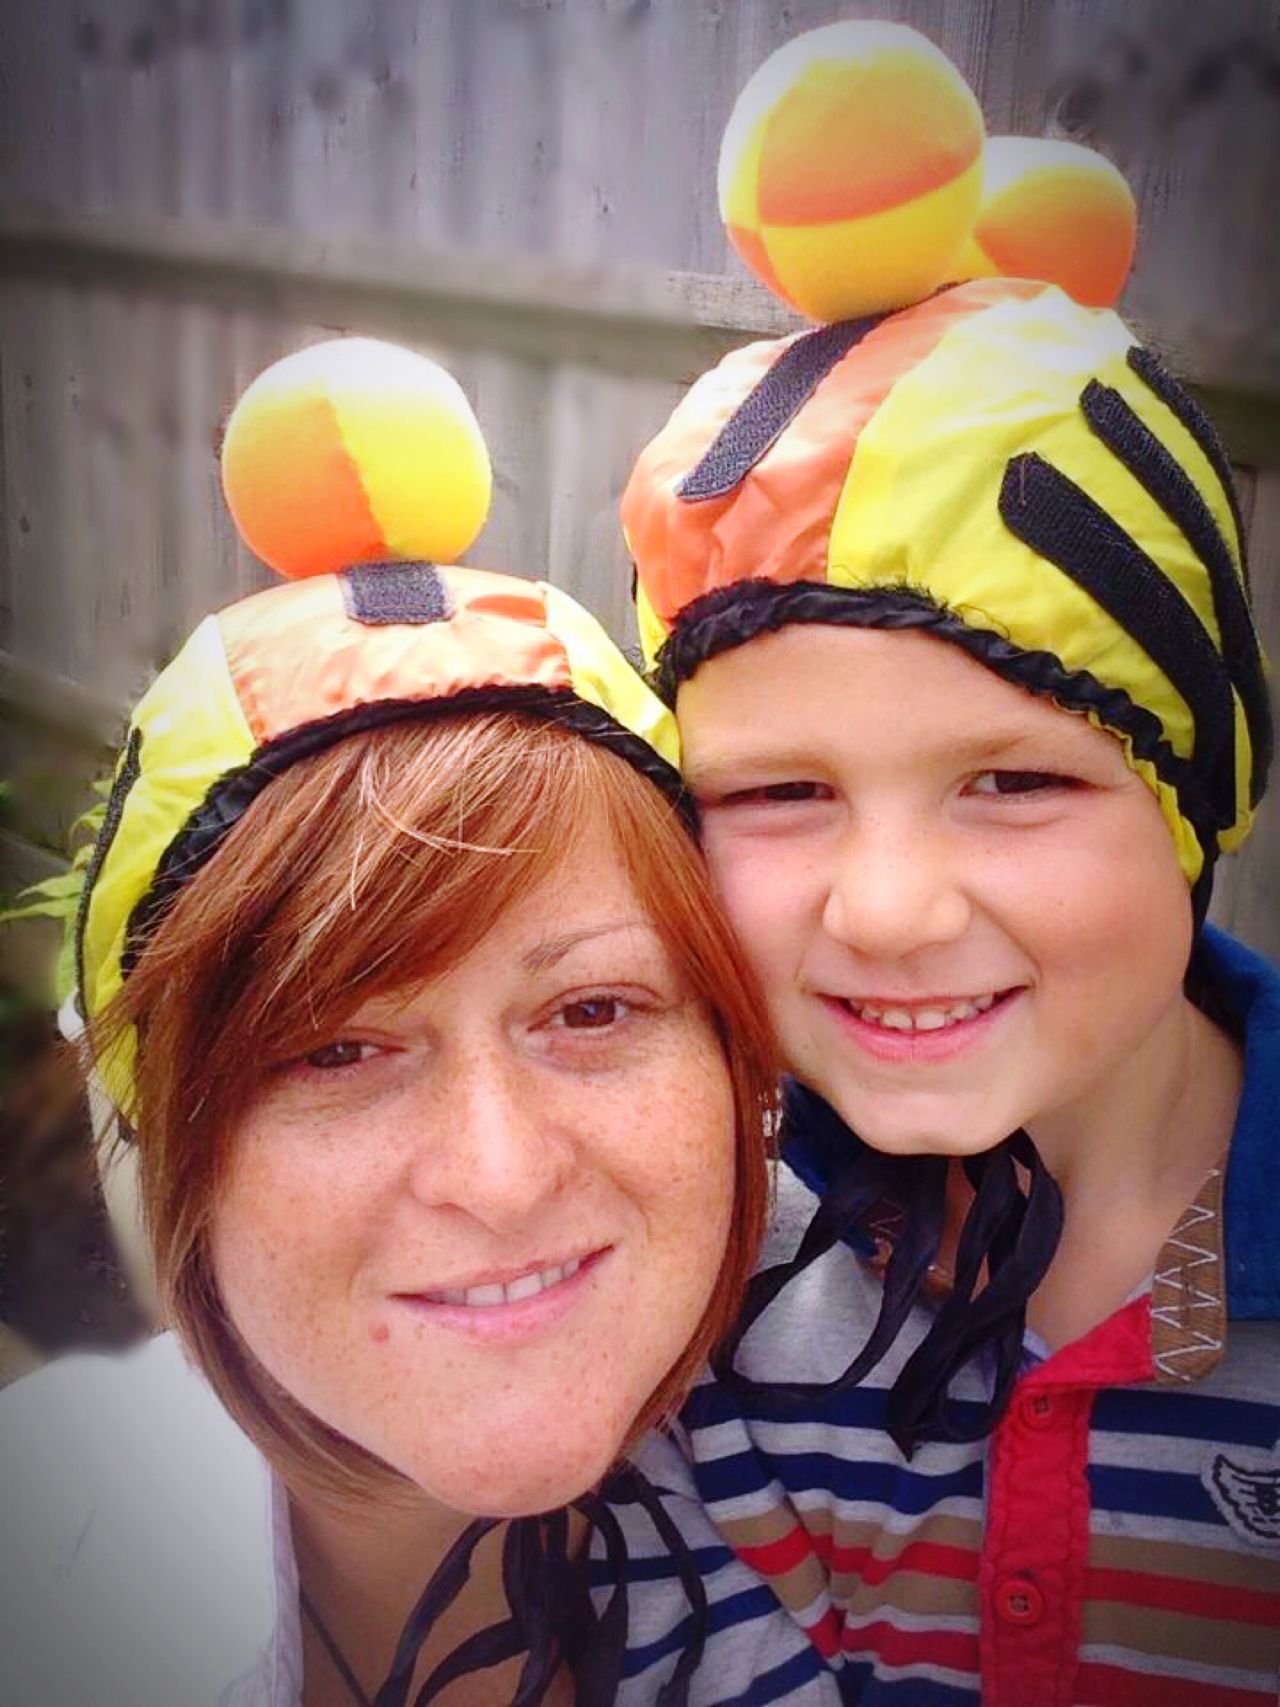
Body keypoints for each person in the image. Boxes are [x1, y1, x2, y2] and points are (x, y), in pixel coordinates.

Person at [0, 338, 820, 1707]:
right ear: (153, 1123)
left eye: (594, 1009)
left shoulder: (940, 1539)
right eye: (335, 1049)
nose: (498, 1177)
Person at [619, 21, 1280, 1707]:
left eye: (1011, 778)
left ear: (1208, 783)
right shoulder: (691, 1276)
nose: (892, 910)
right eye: (777, 795)